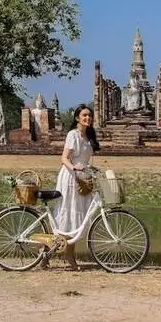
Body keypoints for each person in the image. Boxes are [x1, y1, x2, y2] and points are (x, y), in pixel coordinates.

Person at [52, 103, 101, 271]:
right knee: (66, 216)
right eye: (84, 115)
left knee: (78, 218)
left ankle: (53, 253)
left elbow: (85, 160)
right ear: (77, 118)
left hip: (83, 179)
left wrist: (92, 169)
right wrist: (74, 168)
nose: (88, 118)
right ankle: (65, 254)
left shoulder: (88, 136)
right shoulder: (72, 134)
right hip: (70, 178)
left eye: (90, 115)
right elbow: (64, 158)